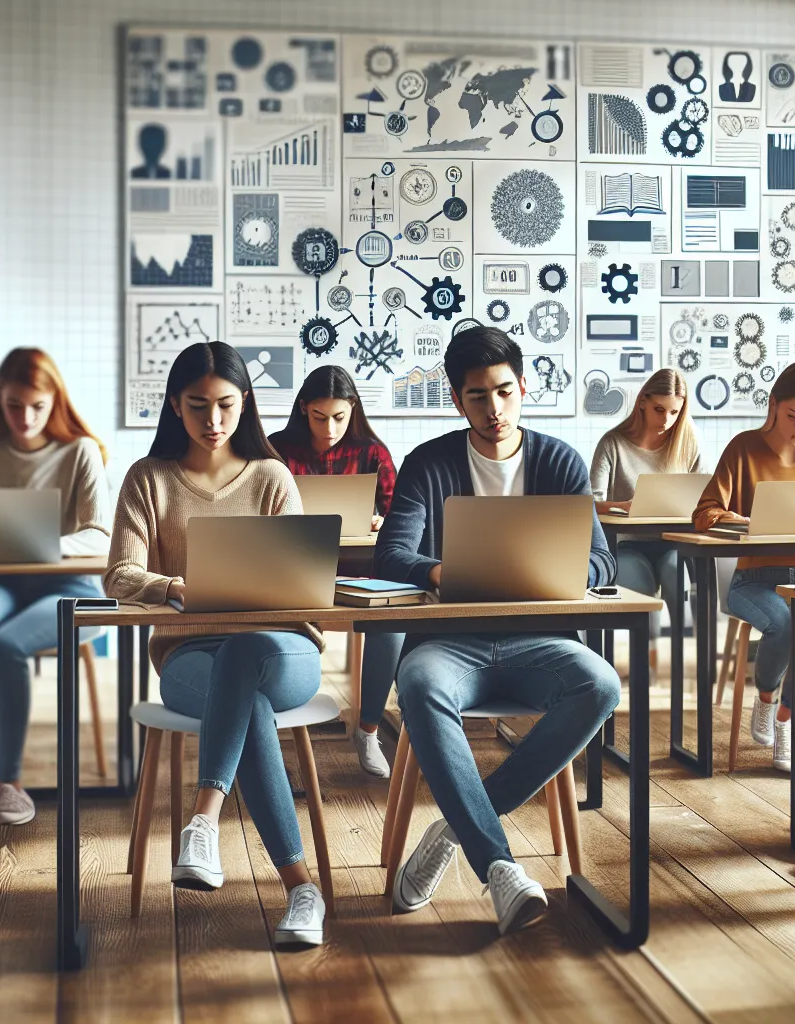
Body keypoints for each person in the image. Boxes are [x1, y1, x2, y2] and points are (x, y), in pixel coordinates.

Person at [379, 326, 619, 935]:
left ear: (523, 387)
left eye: (505, 392)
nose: (494, 409)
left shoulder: (559, 461)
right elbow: (391, 556)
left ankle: (461, 823)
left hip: (540, 639)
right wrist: (444, 571)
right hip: (447, 640)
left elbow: (602, 562)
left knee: (600, 685)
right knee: (421, 686)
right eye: (478, 396)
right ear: (457, 401)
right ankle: (500, 867)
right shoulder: (429, 463)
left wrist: (553, 570)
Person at [105, 342, 328, 948]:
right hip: (188, 658)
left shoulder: (272, 477)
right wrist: (175, 586)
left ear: (245, 403)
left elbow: (307, 583)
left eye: (226, 405)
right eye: (197, 406)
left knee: (248, 652)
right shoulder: (148, 479)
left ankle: (203, 819)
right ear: (175, 406)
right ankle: (303, 892)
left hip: (284, 652)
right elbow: (118, 575)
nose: (213, 421)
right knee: (243, 696)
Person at [0, 348, 111, 829]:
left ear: (56, 401)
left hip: (71, 585)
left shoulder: (80, 451)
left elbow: (101, 534)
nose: (25, 418)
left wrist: (42, 543)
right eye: (14, 406)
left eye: (38, 406)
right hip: (1, 582)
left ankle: (9, 781)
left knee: (5, 645)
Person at [693, 361, 795, 773]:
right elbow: (705, 512)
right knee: (784, 626)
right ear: (773, 405)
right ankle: (766, 696)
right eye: (791, 416)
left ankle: (786, 720)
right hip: (755, 580)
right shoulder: (744, 447)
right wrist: (743, 520)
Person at [268, 364, 400, 779]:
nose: (329, 429)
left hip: (361, 572)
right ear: (304, 409)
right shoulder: (276, 449)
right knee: (265, 625)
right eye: (319, 417)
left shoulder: (372, 453)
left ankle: (368, 729)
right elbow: (256, 515)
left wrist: (383, 521)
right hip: (294, 570)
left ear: (353, 410)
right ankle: (268, 736)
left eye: (339, 418)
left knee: (392, 625)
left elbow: (402, 514)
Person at [590, 369, 704, 652]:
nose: (666, 420)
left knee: (677, 580)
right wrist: (623, 506)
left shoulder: (688, 443)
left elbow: (706, 497)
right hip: (628, 545)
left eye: (674, 412)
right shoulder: (613, 443)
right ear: (642, 402)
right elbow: (588, 501)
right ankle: (645, 663)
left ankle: (679, 666)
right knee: (642, 602)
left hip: (674, 545)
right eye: (659, 409)